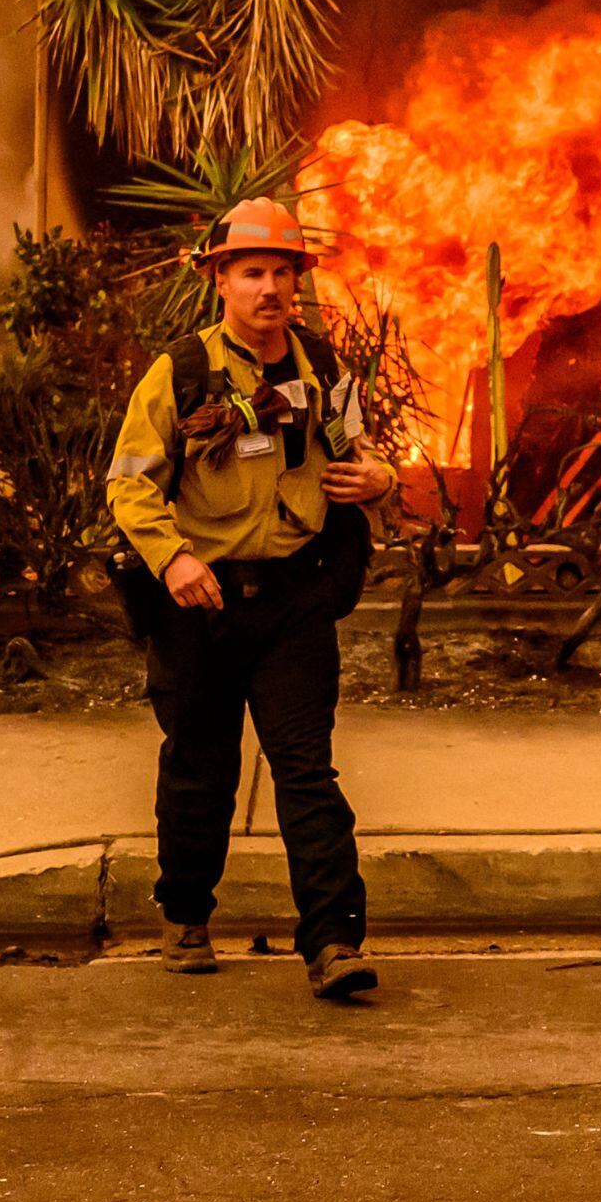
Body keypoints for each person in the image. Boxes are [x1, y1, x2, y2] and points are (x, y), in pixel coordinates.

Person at [103, 198, 397, 1001]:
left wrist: (380, 479)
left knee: (306, 772)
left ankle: (333, 943)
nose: (271, 288)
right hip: (200, 604)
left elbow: (356, 454)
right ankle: (187, 916)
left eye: (283, 272)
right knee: (200, 767)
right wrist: (171, 561)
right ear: (219, 281)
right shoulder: (182, 373)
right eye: (254, 272)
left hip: (294, 602)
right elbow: (130, 488)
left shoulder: (323, 370)